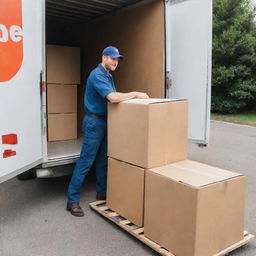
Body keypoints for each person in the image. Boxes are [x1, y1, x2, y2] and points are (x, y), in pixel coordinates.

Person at [66, 46, 149, 217]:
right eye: (113, 58)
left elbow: (114, 95)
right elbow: (112, 97)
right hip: (94, 123)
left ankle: (101, 194)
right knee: (86, 161)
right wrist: (135, 94)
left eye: (117, 59)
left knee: (103, 160)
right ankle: (72, 200)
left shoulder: (107, 75)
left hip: (104, 122)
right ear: (104, 57)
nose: (116, 62)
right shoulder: (97, 75)